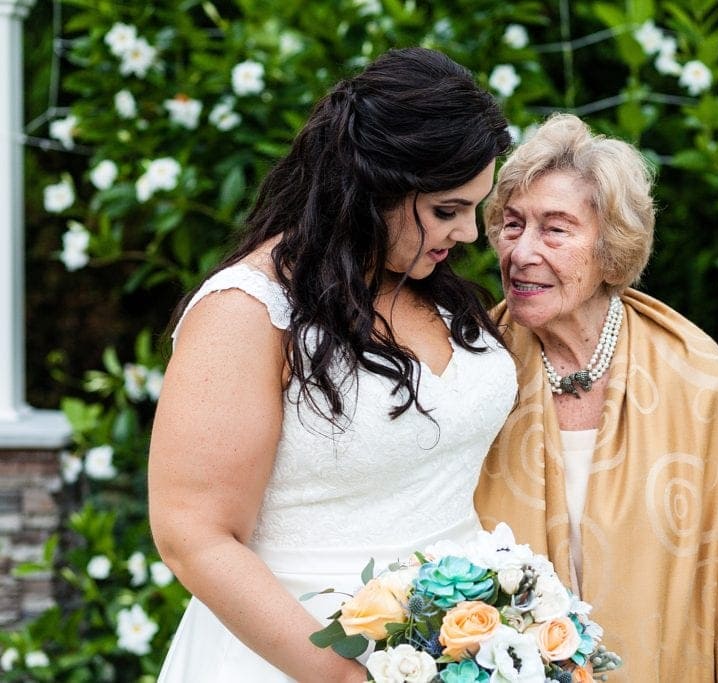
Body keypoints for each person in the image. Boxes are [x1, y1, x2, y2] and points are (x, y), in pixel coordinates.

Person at [149, 47, 517, 682]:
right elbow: (194, 536)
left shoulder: (427, 280)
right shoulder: (249, 310)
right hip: (301, 654)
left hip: (465, 647)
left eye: (474, 209)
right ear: (374, 188)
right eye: (447, 211)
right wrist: (353, 675)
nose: (470, 236)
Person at [474, 114, 718, 681]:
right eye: (512, 225)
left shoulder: (693, 370)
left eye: (555, 229)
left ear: (611, 245)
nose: (521, 252)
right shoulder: (473, 367)